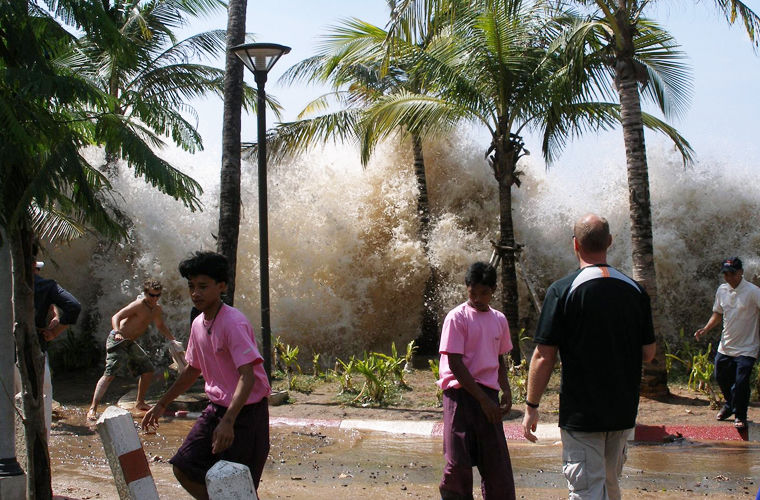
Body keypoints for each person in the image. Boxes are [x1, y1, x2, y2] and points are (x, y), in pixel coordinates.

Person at [522, 213, 656, 500]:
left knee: (586, 491)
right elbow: (649, 353)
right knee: (610, 485)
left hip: (581, 413)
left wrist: (532, 405)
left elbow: (544, 356)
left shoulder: (563, 290)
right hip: (622, 411)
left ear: (575, 245)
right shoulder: (635, 290)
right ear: (609, 241)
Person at [142, 251, 270, 499]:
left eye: (203, 286)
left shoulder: (233, 323)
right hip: (216, 410)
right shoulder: (198, 323)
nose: (195, 293)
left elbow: (248, 376)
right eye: (191, 287)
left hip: (245, 415)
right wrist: (161, 403)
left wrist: (229, 421)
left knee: (239, 486)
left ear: (221, 286)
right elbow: (192, 369)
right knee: (184, 466)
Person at [436, 261, 516, 500]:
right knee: (457, 464)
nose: (478, 298)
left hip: (488, 396)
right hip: (460, 395)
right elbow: (455, 364)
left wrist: (507, 392)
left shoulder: (499, 320)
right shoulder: (457, 317)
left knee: (496, 464)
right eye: (473, 293)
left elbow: (499, 359)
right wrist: (482, 400)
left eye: (484, 293)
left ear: (493, 291)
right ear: (466, 289)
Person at [87, 277, 178, 420]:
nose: (154, 298)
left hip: (130, 343)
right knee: (110, 374)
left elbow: (160, 326)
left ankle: (140, 402)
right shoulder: (138, 305)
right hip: (117, 340)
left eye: (157, 295)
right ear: (145, 293)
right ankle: (93, 408)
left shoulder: (156, 309)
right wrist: (117, 332)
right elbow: (116, 316)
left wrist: (173, 340)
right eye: (151, 295)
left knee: (148, 370)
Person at [694, 256, 760, 430]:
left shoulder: (753, 292)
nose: (728, 278)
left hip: (747, 347)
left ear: (740, 272)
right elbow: (717, 313)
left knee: (741, 382)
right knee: (720, 377)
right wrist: (706, 329)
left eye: (731, 274)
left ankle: (741, 416)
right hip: (726, 345)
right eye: (725, 274)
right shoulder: (722, 290)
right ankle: (730, 405)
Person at [32, 259, 81, 437]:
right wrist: (55, 332)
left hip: (7, 347)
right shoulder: (45, 286)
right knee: (42, 393)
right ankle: (41, 440)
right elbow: (73, 306)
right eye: (36, 268)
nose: (38, 271)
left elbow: (55, 310)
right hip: (34, 346)